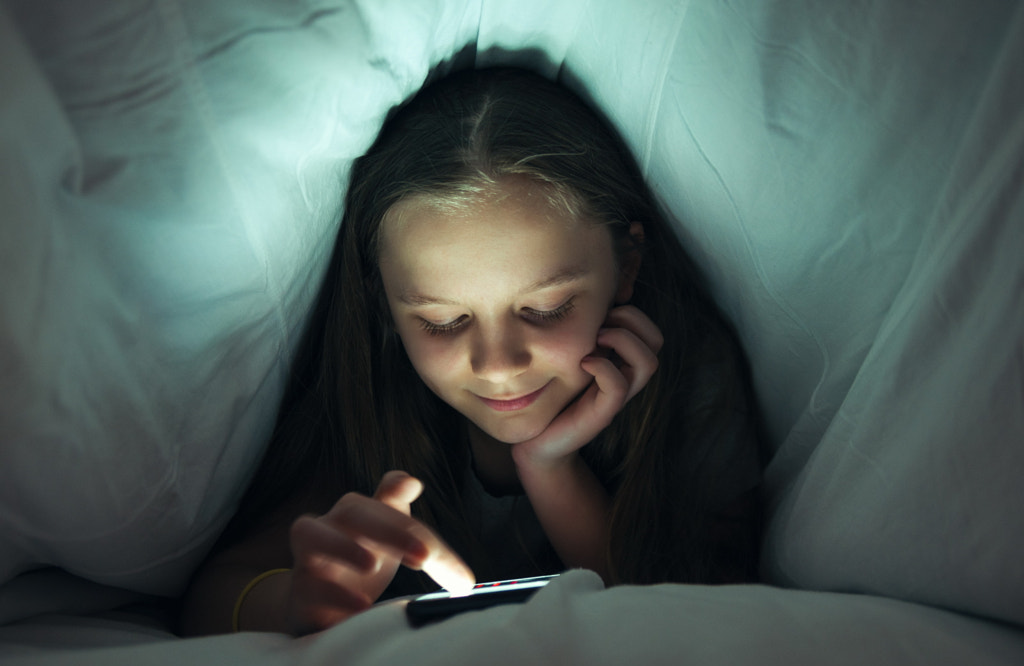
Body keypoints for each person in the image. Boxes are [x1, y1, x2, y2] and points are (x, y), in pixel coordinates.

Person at [179, 66, 764, 637]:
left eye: (545, 309)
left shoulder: (692, 384)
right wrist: (296, 601)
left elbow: (688, 620)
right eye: (444, 322)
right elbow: (207, 600)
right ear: (384, 302)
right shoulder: (371, 404)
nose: (497, 366)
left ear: (626, 265)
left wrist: (549, 467)